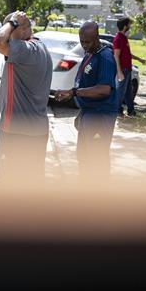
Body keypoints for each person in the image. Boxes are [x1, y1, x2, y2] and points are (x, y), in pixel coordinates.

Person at [0, 10, 52, 185]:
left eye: (10, 30)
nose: (7, 35)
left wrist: (12, 23)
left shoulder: (28, 51)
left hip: (19, 133)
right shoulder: (37, 48)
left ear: (23, 29)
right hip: (31, 131)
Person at [55, 21, 119, 184]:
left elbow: (104, 89)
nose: (84, 45)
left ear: (96, 37)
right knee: (83, 157)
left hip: (100, 116)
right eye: (81, 41)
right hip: (89, 113)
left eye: (87, 41)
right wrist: (81, 113)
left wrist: (74, 93)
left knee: (96, 159)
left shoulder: (105, 57)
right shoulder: (89, 53)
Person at [112, 17, 146, 117]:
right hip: (123, 69)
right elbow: (116, 55)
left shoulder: (124, 38)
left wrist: (139, 59)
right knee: (120, 92)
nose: (130, 27)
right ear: (124, 26)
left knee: (128, 92)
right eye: (129, 25)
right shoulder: (118, 38)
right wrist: (119, 72)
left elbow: (127, 54)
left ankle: (131, 111)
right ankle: (118, 111)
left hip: (128, 69)